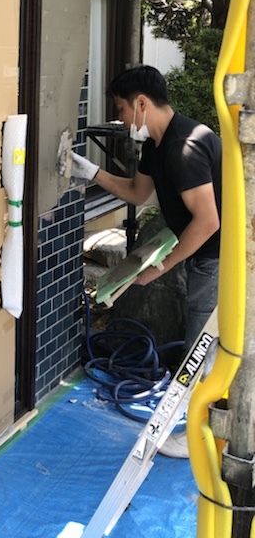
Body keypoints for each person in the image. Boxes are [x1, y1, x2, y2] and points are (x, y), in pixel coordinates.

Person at [67, 66, 222, 457]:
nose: (120, 119)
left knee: (202, 349)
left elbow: (207, 221)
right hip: (206, 255)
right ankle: (210, 429)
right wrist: (91, 172)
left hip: (220, 258)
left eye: (121, 109)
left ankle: (200, 437)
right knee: (205, 347)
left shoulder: (183, 147)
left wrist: (161, 266)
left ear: (141, 103)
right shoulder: (158, 145)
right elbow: (138, 193)